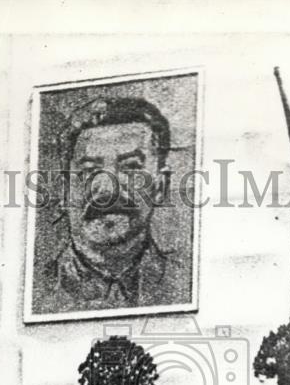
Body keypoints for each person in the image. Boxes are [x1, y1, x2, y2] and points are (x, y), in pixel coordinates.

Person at [38, 96, 188, 313]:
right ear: (64, 191)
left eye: (130, 168)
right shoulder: (40, 288)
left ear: (160, 186)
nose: (107, 189)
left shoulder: (183, 283)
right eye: (89, 170)